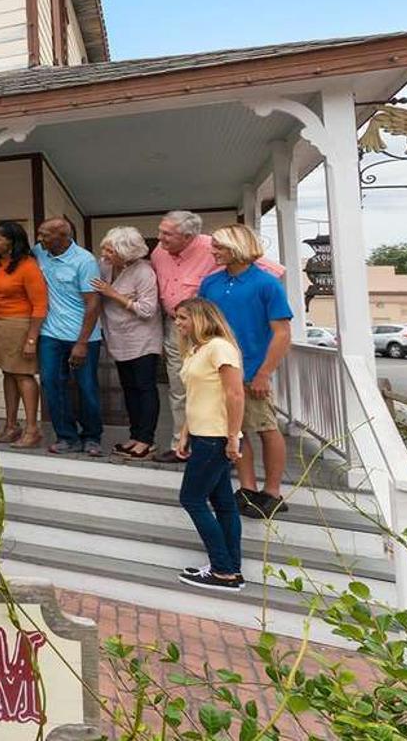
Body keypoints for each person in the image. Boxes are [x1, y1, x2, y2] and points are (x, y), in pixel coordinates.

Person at [149, 210, 284, 465]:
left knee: (244, 413)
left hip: (225, 342)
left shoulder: (214, 248)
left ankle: (254, 477)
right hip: (184, 330)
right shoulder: (160, 253)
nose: (160, 238)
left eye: (167, 233)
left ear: (189, 236)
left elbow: (269, 271)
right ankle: (184, 443)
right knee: (184, 387)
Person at [198, 223, 293, 520]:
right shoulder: (210, 283)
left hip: (252, 369)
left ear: (237, 248)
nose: (213, 251)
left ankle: (273, 492)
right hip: (218, 369)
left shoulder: (266, 284)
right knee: (235, 431)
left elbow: (281, 333)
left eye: (219, 247)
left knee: (265, 427)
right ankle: (248, 488)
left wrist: (265, 372)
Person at [170, 298, 247, 592]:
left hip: (217, 437)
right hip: (201, 433)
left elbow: (235, 394)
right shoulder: (194, 350)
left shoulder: (220, 347)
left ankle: (222, 568)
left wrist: (232, 436)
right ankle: (231, 569)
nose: (178, 323)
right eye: (176, 318)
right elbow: (196, 395)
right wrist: (185, 431)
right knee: (223, 503)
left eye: (183, 318)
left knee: (191, 498)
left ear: (200, 318)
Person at [33, 216, 105, 455]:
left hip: (83, 337)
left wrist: (82, 343)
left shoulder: (84, 261)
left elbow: (93, 303)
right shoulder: (40, 252)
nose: (39, 238)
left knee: (86, 387)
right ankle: (67, 436)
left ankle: (92, 437)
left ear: (63, 236)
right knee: (52, 384)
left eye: (45, 234)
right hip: (51, 334)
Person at [94, 226, 163, 460]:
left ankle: (147, 440)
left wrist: (113, 294)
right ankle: (134, 436)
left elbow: (147, 309)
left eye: (110, 250)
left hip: (142, 339)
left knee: (144, 388)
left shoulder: (144, 272)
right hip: (118, 338)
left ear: (126, 252)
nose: (104, 253)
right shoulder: (105, 266)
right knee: (129, 389)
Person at [0, 221, 47, 448]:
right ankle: (11, 425)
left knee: (23, 375)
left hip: (21, 325)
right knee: (8, 373)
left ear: (11, 241)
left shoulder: (28, 265)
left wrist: (32, 338)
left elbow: (40, 305)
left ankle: (32, 429)